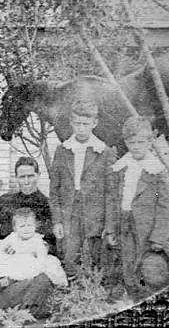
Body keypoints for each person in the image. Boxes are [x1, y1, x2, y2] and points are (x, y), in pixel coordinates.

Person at [105, 116, 169, 301]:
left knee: (144, 265)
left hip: (146, 228)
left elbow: (164, 207)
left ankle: (145, 296)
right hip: (124, 222)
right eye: (131, 142)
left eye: (141, 142)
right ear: (126, 142)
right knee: (126, 261)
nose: (136, 146)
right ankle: (132, 295)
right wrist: (110, 228)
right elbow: (112, 200)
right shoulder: (121, 167)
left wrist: (159, 237)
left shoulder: (156, 171)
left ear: (150, 142)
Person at [49, 101, 117, 279]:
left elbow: (111, 194)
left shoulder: (104, 152)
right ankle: (71, 294)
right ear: (71, 122)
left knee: (96, 260)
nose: (81, 128)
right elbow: (54, 190)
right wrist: (57, 221)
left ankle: (94, 295)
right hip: (69, 212)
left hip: (94, 215)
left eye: (85, 124)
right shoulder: (62, 150)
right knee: (69, 257)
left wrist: (109, 227)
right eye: (77, 123)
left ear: (94, 123)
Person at [0, 208, 67, 288]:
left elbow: (41, 254)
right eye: (22, 226)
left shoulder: (36, 239)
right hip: (15, 261)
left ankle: (12, 281)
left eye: (29, 225)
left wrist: (37, 255)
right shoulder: (13, 236)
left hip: (30, 263)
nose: (26, 229)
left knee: (49, 265)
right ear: (15, 228)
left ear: (35, 226)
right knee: (0, 257)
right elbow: (1, 244)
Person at [0, 156, 56, 255]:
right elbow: (0, 235)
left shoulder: (47, 205)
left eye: (30, 176)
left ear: (38, 175)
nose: (26, 181)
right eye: (22, 177)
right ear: (16, 178)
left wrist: (43, 248)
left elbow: (52, 241)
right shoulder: (4, 202)